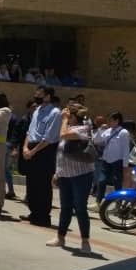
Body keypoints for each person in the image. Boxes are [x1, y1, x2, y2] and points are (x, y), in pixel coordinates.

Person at [46, 103, 95, 254]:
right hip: (65, 175)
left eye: (68, 115)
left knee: (80, 208)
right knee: (65, 207)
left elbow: (63, 135)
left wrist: (64, 120)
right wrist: (57, 173)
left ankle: (85, 241)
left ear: (73, 117)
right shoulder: (68, 128)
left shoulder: (82, 129)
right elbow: (60, 153)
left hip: (81, 175)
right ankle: (60, 237)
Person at [22, 85, 61, 227]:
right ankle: (34, 212)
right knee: (31, 183)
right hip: (32, 147)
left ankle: (43, 216)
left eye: (39, 93)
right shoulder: (37, 110)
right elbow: (29, 131)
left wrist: (33, 151)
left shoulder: (55, 113)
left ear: (48, 96)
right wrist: (25, 148)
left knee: (43, 184)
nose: (36, 95)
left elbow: (49, 137)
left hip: (44, 149)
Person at [94, 112, 130, 201]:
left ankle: (119, 203)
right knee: (101, 181)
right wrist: (100, 130)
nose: (109, 122)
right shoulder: (108, 131)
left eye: (111, 120)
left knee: (117, 183)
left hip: (117, 161)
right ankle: (98, 201)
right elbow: (96, 141)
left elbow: (126, 150)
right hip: (105, 160)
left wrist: (125, 165)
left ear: (117, 121)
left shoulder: (123, 132)